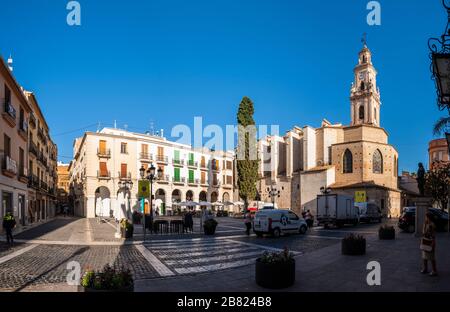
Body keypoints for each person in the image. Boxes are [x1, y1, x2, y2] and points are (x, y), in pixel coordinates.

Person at [421, 212, 438, 276]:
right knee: (424, 256)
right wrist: (425, 225)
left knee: (431, 257)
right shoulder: (425, 224)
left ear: (429, 218)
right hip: (425, 241)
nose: (425, 218)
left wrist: (433, 242)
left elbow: (431, 234)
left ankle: (434, 270)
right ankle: (425, 268)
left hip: (430, 241)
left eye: (426, 217)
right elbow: (423, 232)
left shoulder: (432, 225)